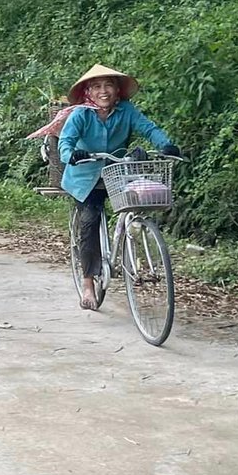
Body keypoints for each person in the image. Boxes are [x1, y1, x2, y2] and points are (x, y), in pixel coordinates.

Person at [58, 64, 181, 310]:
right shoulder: (81, 114)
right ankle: (88, 283)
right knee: (90, 222)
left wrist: (166, 145)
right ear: (88, 92)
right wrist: (72, 154)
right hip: (85, 177)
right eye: (97, 87)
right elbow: (65, 142)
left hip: (117, 173)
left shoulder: (126, 111)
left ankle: (129, 249)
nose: (103, 91)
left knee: (137, 203)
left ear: (117, 90)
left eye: (108, 85)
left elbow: (149, 128)